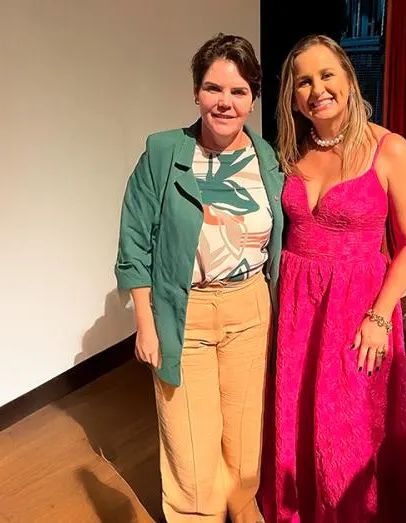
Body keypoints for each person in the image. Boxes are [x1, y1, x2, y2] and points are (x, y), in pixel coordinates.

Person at [258, 34, 406, 522]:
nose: (317, 89)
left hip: (357, 308)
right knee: (297, 416)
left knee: (346, 428)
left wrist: (380, 317)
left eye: (326, 75)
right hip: (297, 305)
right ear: (292, 97)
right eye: (303, 81)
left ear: (348, 77)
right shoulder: (290, 152)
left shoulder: (390, 149)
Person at [114, 33, 285, 523]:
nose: (225, 102)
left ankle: (242, 507)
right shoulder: (164, 152)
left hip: (250, 305)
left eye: (238, 91)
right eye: (213, 88)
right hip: (183, 311)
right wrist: (145, 324)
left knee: (244, 436)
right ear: (196, 92)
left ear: (252, 98)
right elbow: (134, 242)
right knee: (189, 442)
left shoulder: (267, 158)